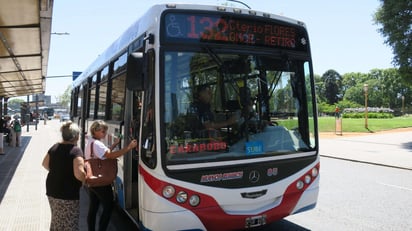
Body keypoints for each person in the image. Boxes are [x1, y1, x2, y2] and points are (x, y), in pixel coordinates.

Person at [85, 120, 137, 231]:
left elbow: (104, 154)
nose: (105, 133)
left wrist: (114, 144)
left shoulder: (91, 142)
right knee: (108, 206)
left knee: (93, 207)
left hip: (93, 180)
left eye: (105, 131)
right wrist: (128, 148)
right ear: (95, 131)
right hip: (101, 182)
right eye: (103, 131)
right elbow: (110, 155)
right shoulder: (98, 144)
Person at [42, 121, 86, 231]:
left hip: (52, 190)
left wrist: (59, 171)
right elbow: (79, 174)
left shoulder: (54, 147)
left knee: (57, 221)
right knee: (69, 223)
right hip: (68, 193)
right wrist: (85, 179)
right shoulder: (76, 151)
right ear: (76, 136)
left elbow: (45, 164)